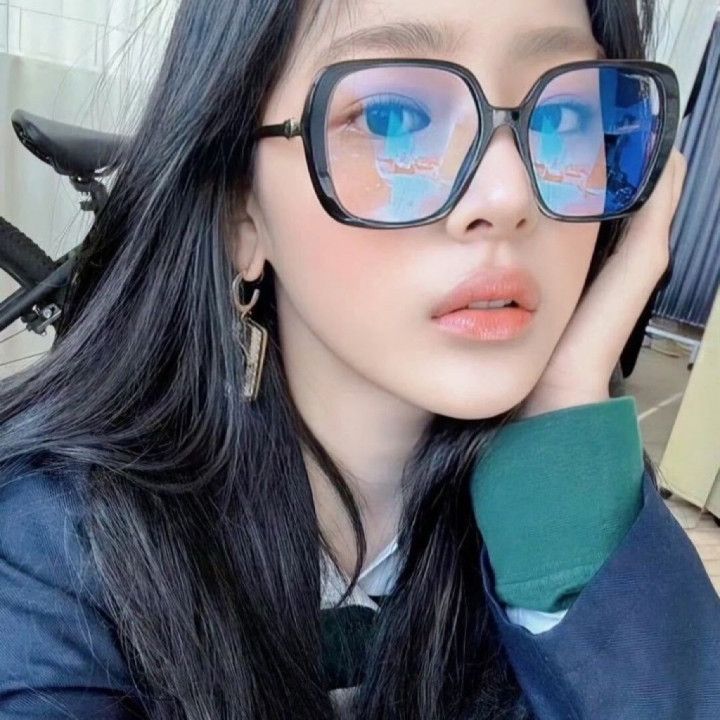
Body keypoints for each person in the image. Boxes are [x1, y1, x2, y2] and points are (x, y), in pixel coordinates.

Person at [0, 0, 718, 718]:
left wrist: (565, 430)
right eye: (391, 117)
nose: (509, 195)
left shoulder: (585, 498)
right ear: (241, 212)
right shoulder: (53, 547)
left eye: (564, 117)